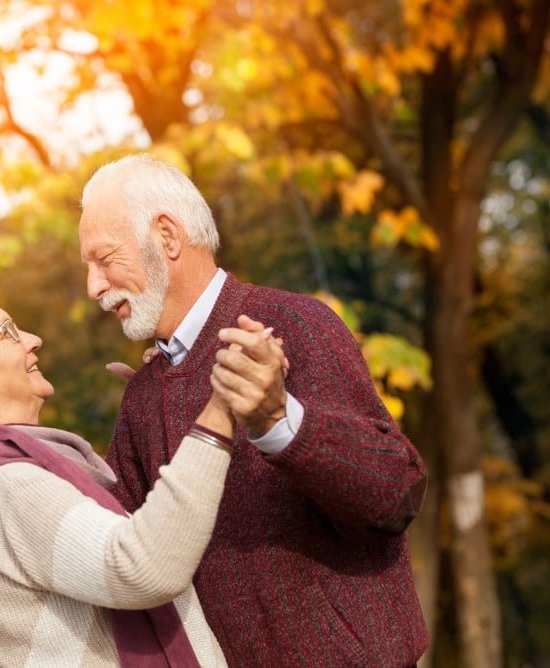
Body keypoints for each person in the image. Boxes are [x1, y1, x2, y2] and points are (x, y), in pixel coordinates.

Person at [78, 153, 430, 666]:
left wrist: (278, 422)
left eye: (105, 258)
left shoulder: (298, 323)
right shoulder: (142, 398)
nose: (94, 286)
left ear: (168, 238)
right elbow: (129, 558)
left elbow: (396, 494)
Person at [0, 272, 286, 667]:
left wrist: (162, 399)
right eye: (6, 333)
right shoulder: (7, 485)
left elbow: (148, 526)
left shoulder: (16, 473)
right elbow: (143, 566)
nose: (33, 339)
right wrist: (222, 406)